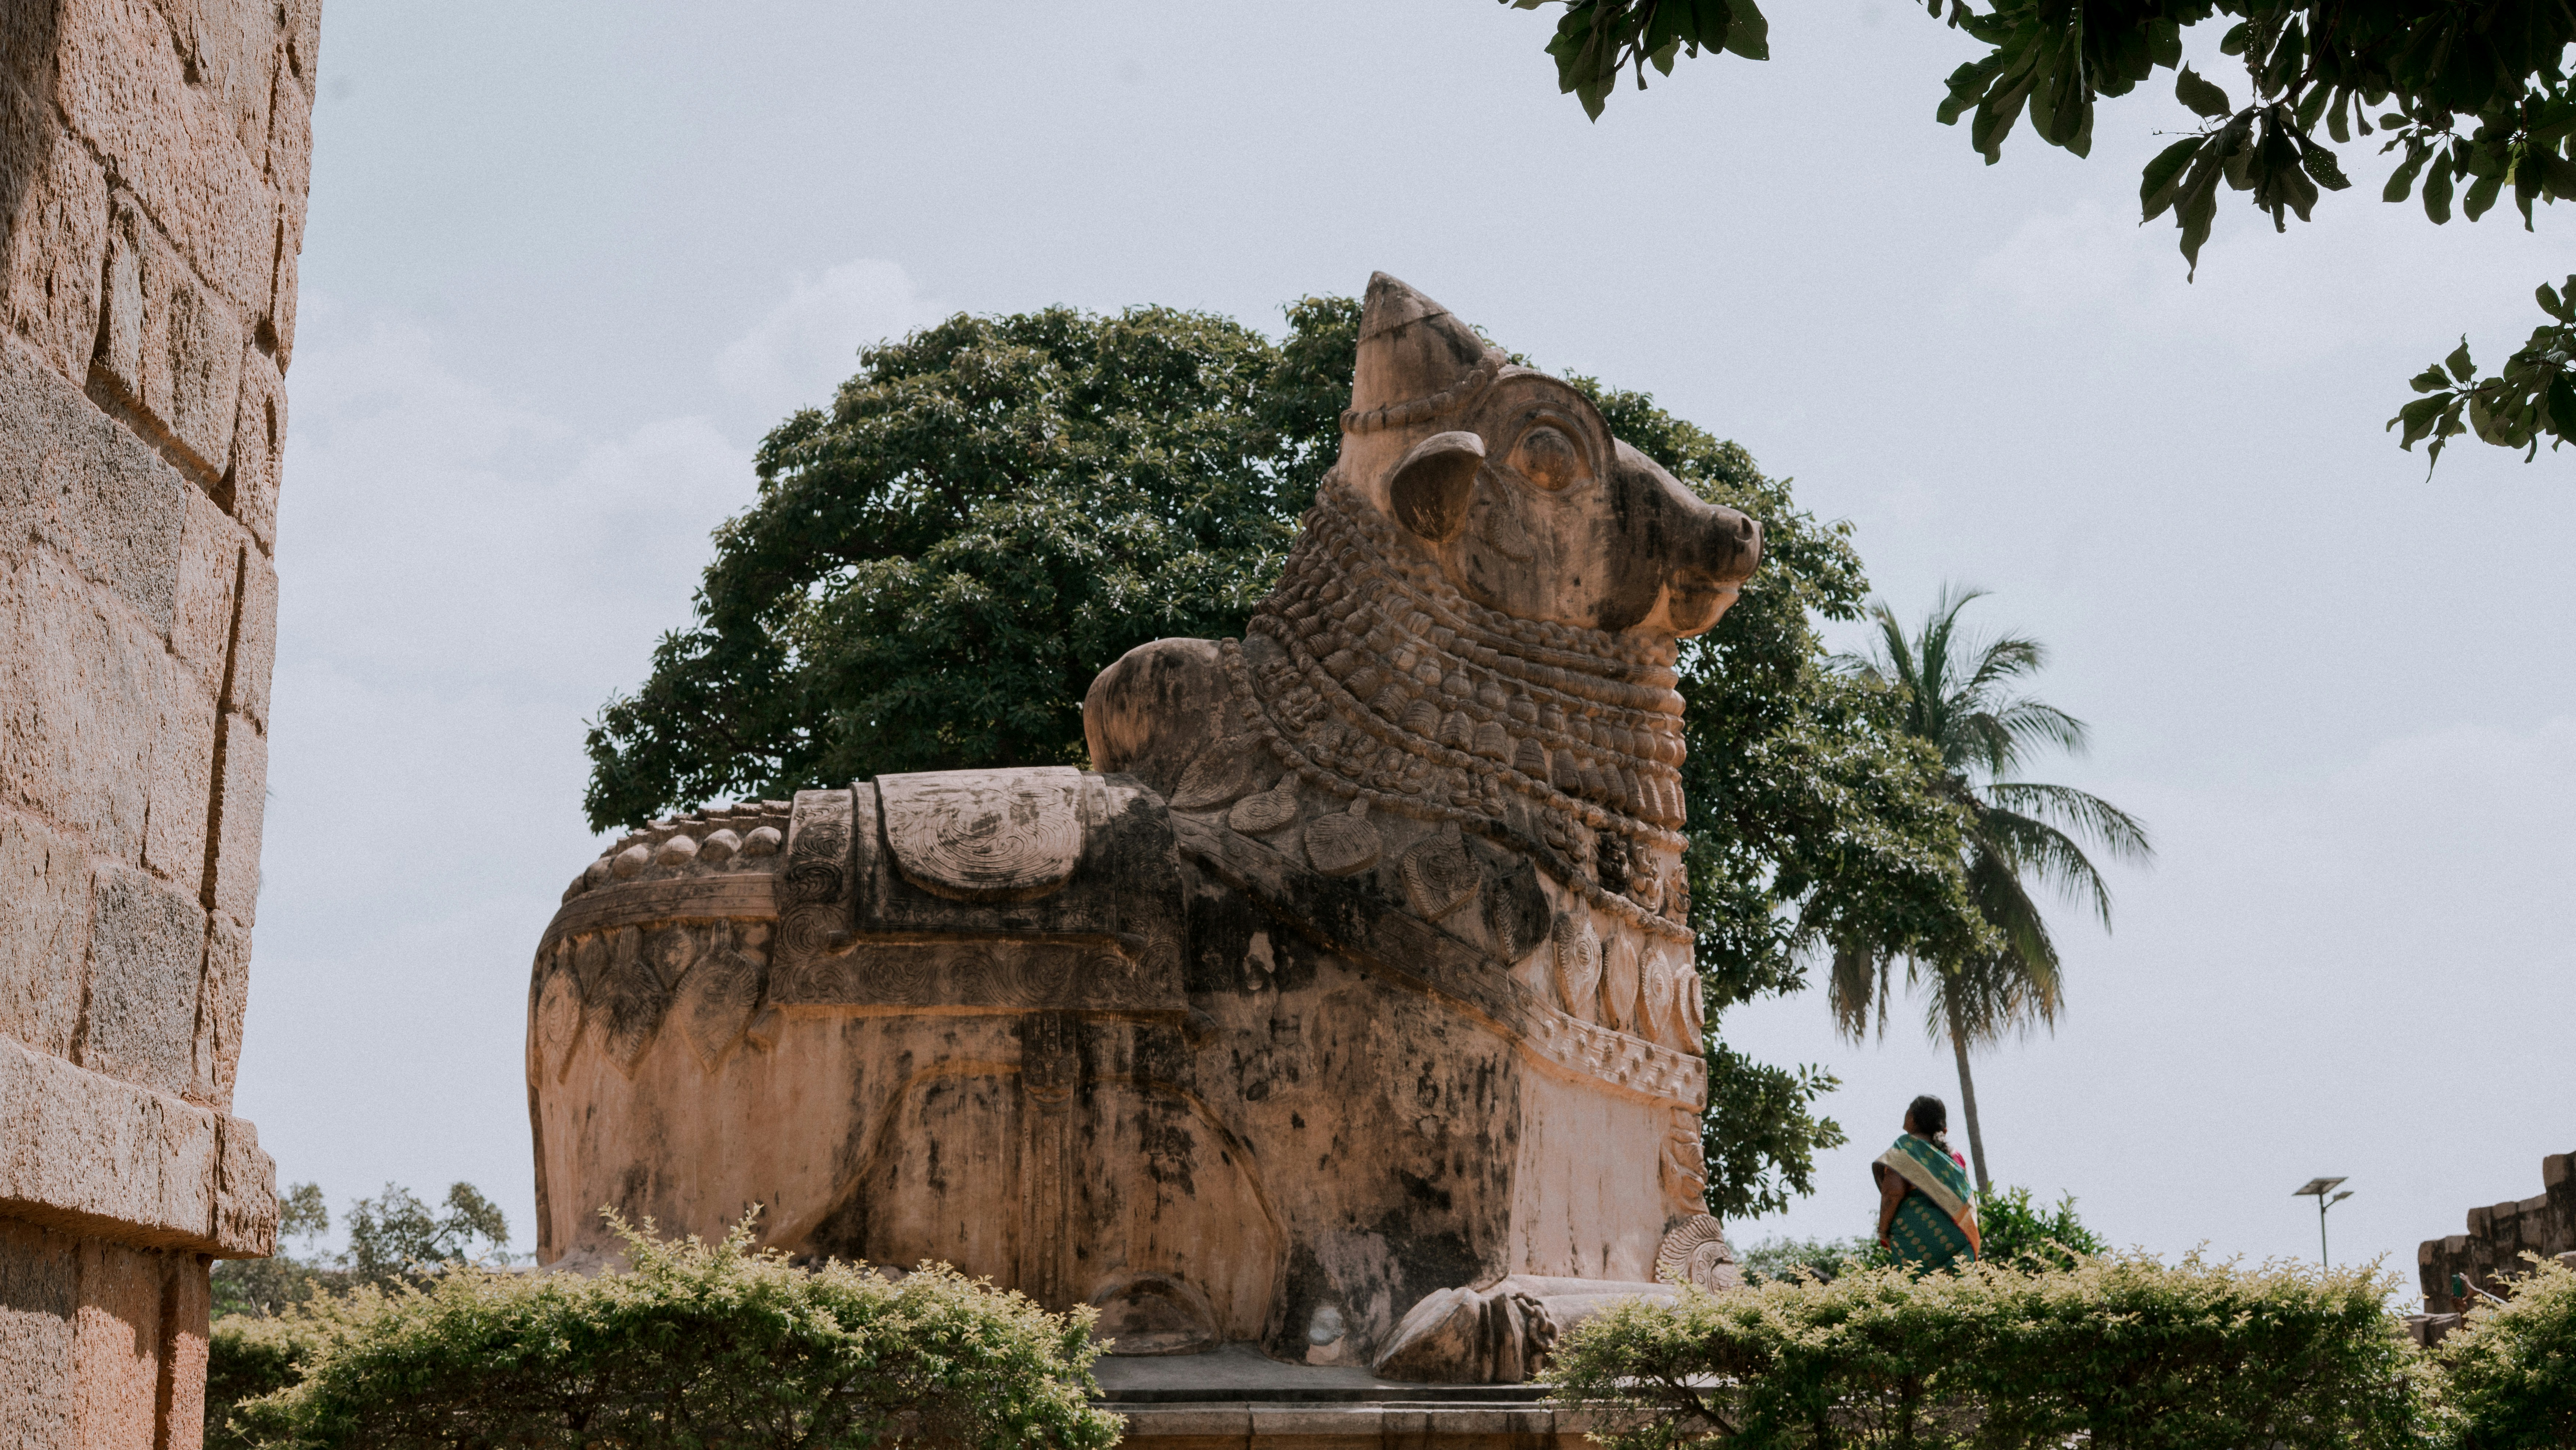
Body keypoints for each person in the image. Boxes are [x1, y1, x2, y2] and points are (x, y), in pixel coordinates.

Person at [1873, 1094, 1981, 1271]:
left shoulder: (1906, 1148)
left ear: (1913, 1117)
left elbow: (1893, 1194)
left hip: (1919, 1238)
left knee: (1917, 1291)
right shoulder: (1956, 1156)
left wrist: (1883, 1231)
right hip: (1960, 1239)